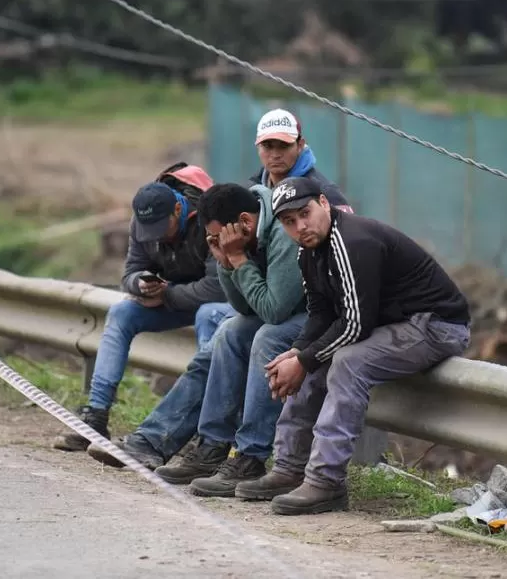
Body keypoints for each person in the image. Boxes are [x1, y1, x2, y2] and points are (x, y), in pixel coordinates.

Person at [234, 176, 472, 515]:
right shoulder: (309, 252)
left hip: (436, 325)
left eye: (305, 213)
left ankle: (326, 482)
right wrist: (298, 352)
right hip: (393, 324)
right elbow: (321, 313)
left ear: (324, 203)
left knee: (346, 361)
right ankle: (289, 468)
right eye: (289, 221)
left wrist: (304, 359)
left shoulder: (351, 241)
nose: (300, 226)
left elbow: (356, 324)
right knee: (312, 361)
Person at [87, 182, 305, 474]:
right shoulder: (242, 231)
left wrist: (238, 260)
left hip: (318, 317)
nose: (216, 241)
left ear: (244, 222)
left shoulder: (281, 233)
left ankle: (250, 456)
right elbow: (243, 308)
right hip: (281, 312)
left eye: (218, 237)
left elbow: (273, 311)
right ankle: (197, 446)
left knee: (262, 337)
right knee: (227, 333)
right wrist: (226, 263)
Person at [53, 173, 226, 452]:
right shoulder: (142, 223)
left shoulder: (210, 219)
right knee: (122, 313)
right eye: (149, 229)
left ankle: (208, 435)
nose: (154, 235)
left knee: (209, 314)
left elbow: (218, 288)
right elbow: (130, 272)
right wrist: (141, 284)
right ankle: (96, 416)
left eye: (161, 227)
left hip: (210, 303)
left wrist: (168, 294)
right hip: (169, 299)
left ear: (179, 210)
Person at [193, 107, 353, 348]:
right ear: (258, 148)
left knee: (257, 335)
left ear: (300, 145)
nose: (275, 154)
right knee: (214, 321)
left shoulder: (322, 194)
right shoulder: (253, 191)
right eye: (268, 146)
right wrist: (227, 263)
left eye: (283, 146)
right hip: (267, 295)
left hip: (318, 304)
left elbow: (346, 253)